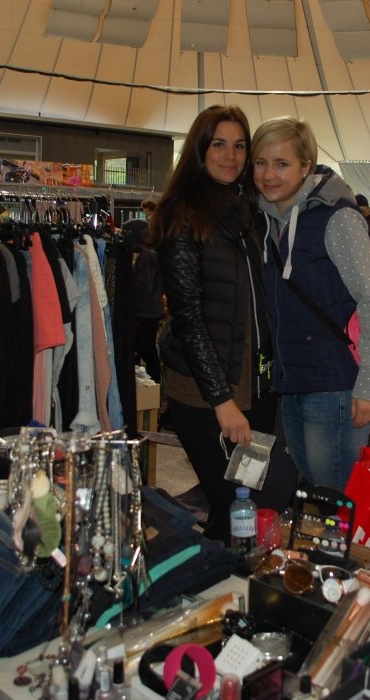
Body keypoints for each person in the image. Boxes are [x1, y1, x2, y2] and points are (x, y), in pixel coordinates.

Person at [151, 105, 277, 542]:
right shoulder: (182, 214)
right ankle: (214, 572)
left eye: (239, 146)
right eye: (219, 144)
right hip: (205, 388)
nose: (230, 155)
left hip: (255, 381)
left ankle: (230, 573)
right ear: (200, 150)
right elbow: (187, 314)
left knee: (248, 496)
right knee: (227, 500)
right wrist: (221, 400)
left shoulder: (250, 211)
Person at [251, 116, 370, 491]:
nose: (269, 175)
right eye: (261, 162)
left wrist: (368, 385)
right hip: (292, 383)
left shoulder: (337, 219)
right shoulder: (268, 220)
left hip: (337, 385)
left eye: (282, 164)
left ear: (305, 166)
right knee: (314, 489)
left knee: (335, 497)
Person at [125, 199, 163, 381]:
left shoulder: (147, 256)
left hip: (146, 311)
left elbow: (144, 285)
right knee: (148, 350)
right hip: (151, 310)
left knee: (143, 349)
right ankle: (154, 384)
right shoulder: (151, 253)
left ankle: (152, 384)